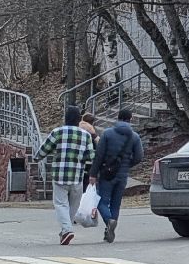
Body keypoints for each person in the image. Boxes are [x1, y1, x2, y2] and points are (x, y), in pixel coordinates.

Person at [37, 104, 96, 246]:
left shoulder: (57, 132)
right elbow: (91, 156)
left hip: (59, 175)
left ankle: (67, 229)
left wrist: (37, 157)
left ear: (65, 118)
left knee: (60, 204)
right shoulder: (86, 135)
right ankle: (65, 230)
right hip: (77, 176)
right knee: (74, 205)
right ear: (79, 120)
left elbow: (43, 150)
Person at [91, 108, 145, 243]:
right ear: (130, 119)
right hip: (123, 175)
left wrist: (93, 173)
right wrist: (127, 165)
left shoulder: (107, 133)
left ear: (118, 118)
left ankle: (109, 221)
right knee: (116, 203)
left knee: (101, 201)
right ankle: (110, 229)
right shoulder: (134, 137)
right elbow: (139, 156)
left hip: (106, 173)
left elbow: (99, 155)